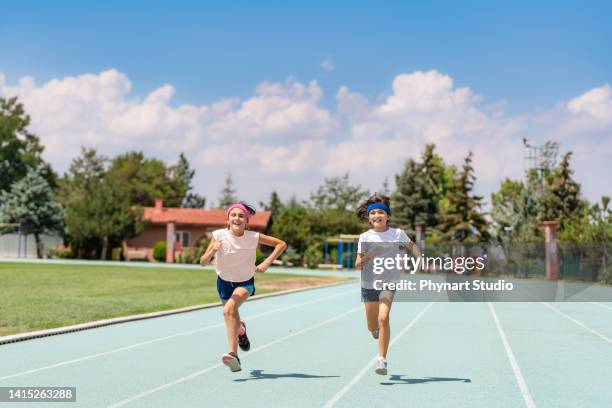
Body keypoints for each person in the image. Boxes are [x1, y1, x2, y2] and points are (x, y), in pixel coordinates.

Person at [200, 202, 286, 372]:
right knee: (231, 317)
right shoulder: (218, 235)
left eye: (241, 216)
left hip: (245, 282)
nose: (237, 218)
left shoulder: (253, 236)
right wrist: (212, 251)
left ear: (247, 222)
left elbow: (281, 244)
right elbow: (203, 262)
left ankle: (233, 355)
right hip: (224, 281)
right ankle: (241, 330)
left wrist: (267, 262)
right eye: (233, 215)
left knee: (228, 310)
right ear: (227, 219)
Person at [354, 193, 421, 375]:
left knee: (383, 317)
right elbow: (358, 265)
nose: (377, 215)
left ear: (387, 216)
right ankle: (375, 330)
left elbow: (412, 246)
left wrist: (419, 259)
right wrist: (370, 255)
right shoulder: (365, 238)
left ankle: (382, 360)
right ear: (369, 218)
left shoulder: (397, 234)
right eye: (373, 213)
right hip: (369, 284)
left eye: (380, 212)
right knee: (372, 325)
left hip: (389, 283)